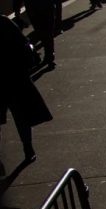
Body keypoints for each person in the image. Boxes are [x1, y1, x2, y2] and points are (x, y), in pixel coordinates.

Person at [1, 15, 53, 163]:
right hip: (14, 77)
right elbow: (23, 45)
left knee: (17, 115)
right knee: (21, 115)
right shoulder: (4, 22)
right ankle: (27, 147)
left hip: (8, 79)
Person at [23, 0, 56, 66]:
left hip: (33, 8)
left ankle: (49, 52)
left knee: (40, 30)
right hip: (47, 6)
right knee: (48, 30)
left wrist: (17, 9)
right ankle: (49, 52)